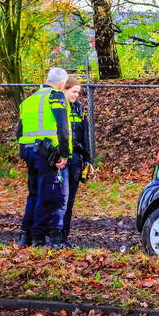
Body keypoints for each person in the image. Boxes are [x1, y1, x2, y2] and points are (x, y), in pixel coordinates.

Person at [16, 67, 72, 248]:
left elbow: (19, 131)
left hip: (28, 151)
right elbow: (63, 128)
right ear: (62, 83)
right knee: (48, 195)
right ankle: (39, 239)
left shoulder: (28, 101)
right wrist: (64, 154)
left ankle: (26, 235)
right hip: (47, 153)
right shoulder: (56, 96)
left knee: (33, 194)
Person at [60, 77, 94, 245]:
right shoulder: (57, 109)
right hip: (59, 159)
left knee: (69, 200)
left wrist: (88, 161)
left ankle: (63, 237)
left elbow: (85, 136)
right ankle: (53, 236)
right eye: (73, 92)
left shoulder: (79, 109)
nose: (76, 95)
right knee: (60, 199)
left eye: (78, 92)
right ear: (64, 90)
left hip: (75, 159)